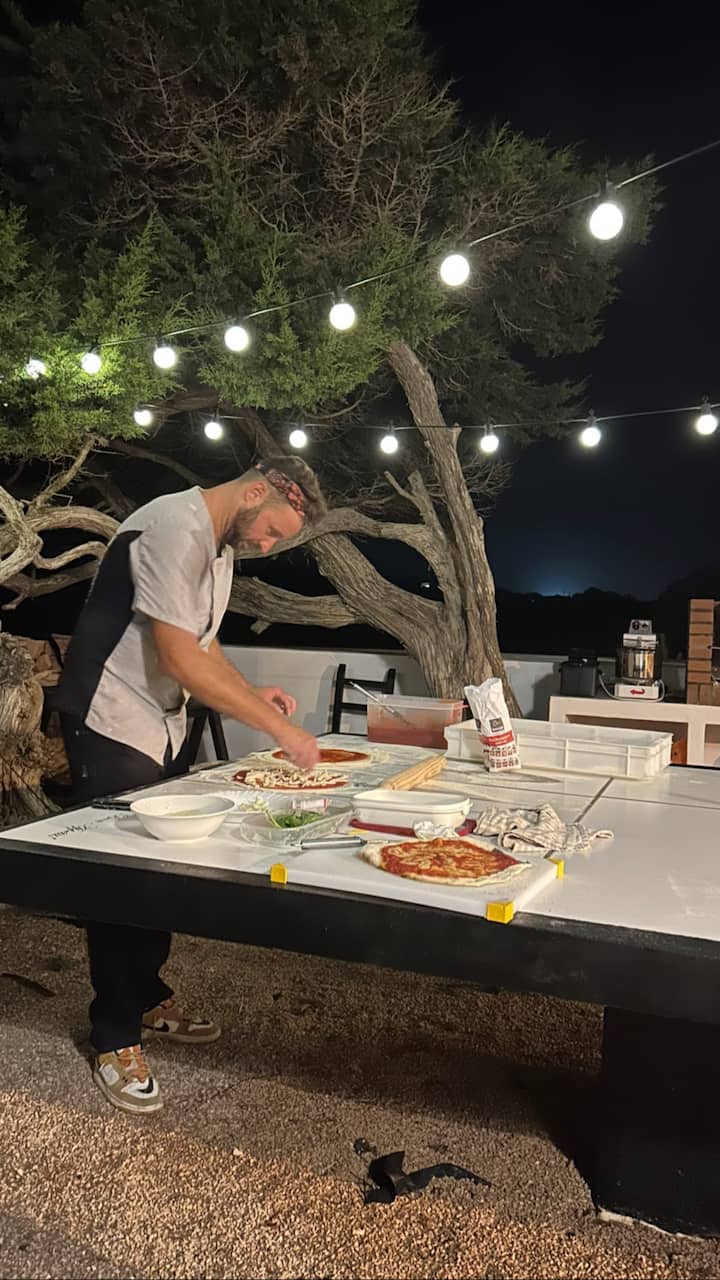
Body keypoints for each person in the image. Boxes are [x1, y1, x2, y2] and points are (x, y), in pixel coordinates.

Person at [56, 456, 325, 1114]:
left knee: (162, 871)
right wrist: (278, 730)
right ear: (256, 491)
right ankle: (113, 1035)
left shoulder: (218, 547)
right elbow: (178, 658)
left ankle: (146, 996)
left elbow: (202, 645)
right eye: (272, 531)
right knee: (122, 880)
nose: (267, 545)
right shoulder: (173, 527)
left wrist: (250, 692)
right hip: (111, 715)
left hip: (160, 721)